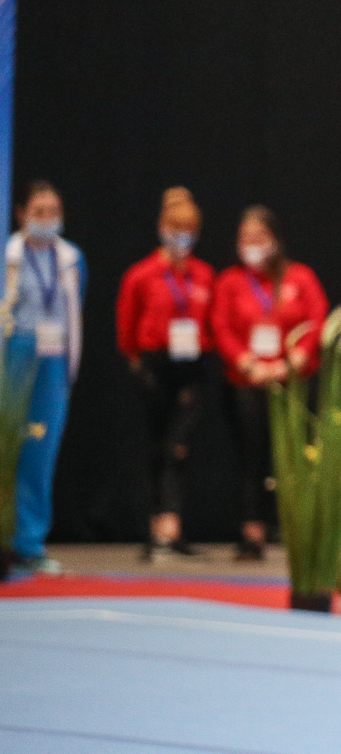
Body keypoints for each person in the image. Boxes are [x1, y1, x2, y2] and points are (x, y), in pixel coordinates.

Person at [211, 207, 329, 559]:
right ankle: (252, 531)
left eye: (259, 238)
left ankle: (299, 529)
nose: (252, 245)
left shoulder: (299, 277)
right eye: (245, 239)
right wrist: (247, 363)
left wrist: (292, 362)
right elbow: (220, 326)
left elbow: (317, 319)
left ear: (275, 239)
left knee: (297, 455)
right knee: (251, 456)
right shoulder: (231, 281)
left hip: (293, 381)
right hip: (248, 381)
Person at [115, 187, 217, 560]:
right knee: (157, 446)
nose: (181, 237)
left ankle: (172, 524)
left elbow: (213, 324)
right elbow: (127, 325)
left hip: (193, 365)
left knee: (179, 445)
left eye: (188, 230)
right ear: (162, 228)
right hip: (155, 364)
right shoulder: (141, 275)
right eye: (175, 229)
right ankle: (155, 527)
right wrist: (136, 360)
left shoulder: (204, 275)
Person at [4, 182, 83, 575]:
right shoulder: (8, 256)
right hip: (13, 355)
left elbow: (74, 311)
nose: (47, 219)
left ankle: (30, 544)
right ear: (21, 214)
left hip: (52, 360)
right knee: (7, 451)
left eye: (54, 211)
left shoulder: (71, 259)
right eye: (39, 212)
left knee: (39, 451)